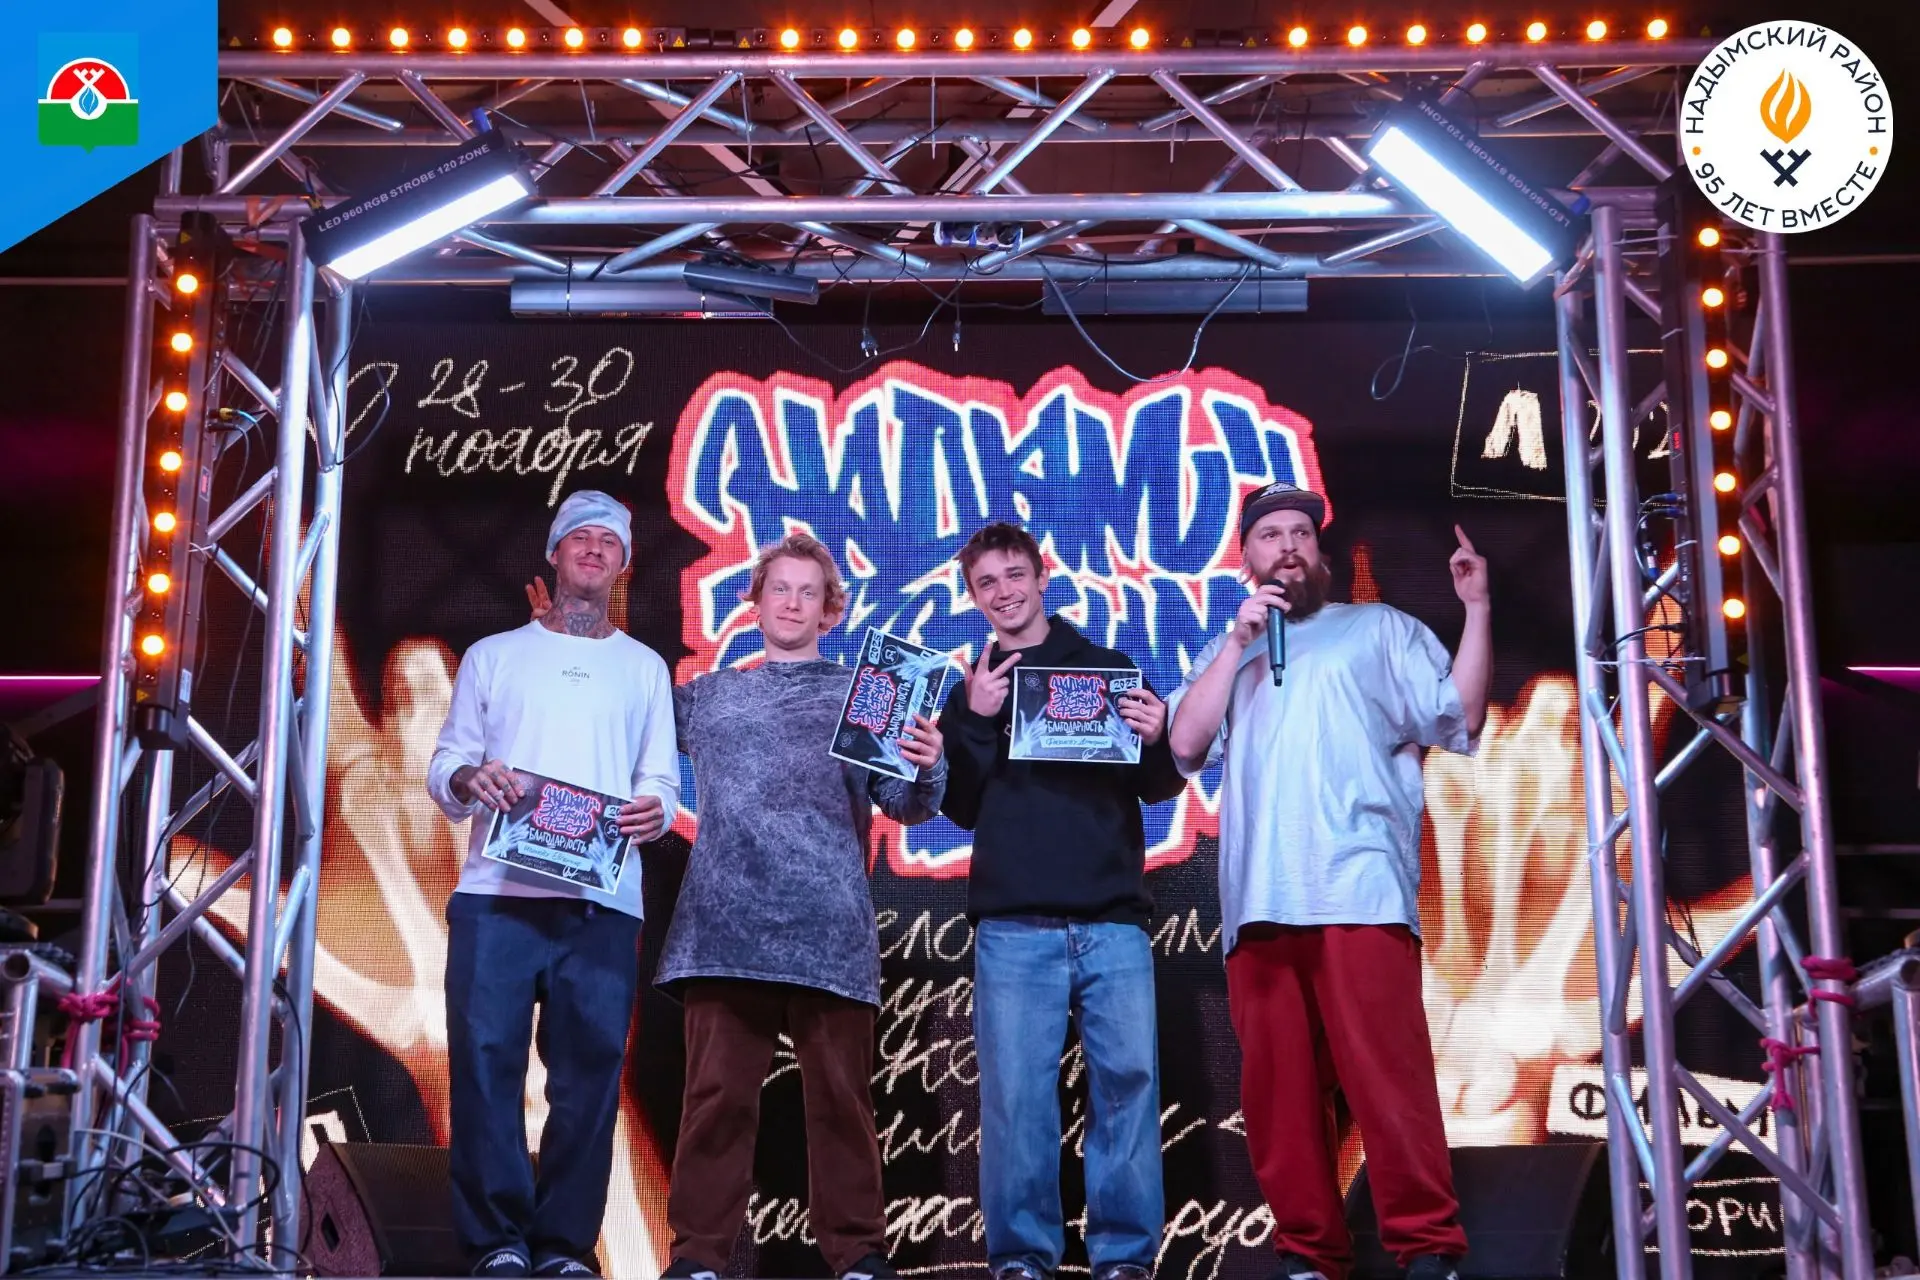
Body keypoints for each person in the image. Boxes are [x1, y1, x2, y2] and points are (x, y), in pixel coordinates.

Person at [1165, 482, 1491, 1280]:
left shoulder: (1379, 628)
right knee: (1279, 1097)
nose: (1288, 545)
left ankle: (1427, 1245)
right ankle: (1311, 1253)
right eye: (1270, 534)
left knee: (1388, 1079)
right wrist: (1237, 643)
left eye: (1301, 533)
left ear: (1319, 551)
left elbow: (1461, 715)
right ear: (1247, 558)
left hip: (1360, 891)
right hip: (1260, 901)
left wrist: (1477, 608)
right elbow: (1184, 743)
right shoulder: (1233, 650)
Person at [654, 533, 948, 1280]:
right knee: (716, 1100)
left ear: (829, 611)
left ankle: (858, 1254)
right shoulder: (706, 697)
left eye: (807, 592)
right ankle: (698, 1257)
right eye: (779, 589)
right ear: (754, 604)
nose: (791, 603)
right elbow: (617, 731)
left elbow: (906, 803)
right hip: (724, 930)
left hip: (828, 928)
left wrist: (929, 763)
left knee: (843, 1105)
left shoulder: (865, 695)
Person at [427, 490, 680, 1278]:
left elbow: (661, 782)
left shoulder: (644, 668)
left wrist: (655, 812)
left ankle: (564, 1248)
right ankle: (497, 1243)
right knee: (484, 1069)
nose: (594, 549)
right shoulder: (494, 655)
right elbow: (446, 763)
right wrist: (471, 779)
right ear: (554, 552)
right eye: (580, 538)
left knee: (589, 1081)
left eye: (609, 541)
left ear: (623, 562)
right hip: (496, 896)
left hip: (601, 903)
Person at [935, 522, 1186, 1280]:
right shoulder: (972, 689)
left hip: (1113, 921)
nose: (1004, 592)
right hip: (1014, 927)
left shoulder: (1109, 668)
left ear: (1042, 577)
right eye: (987, 583)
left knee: (1128, 1092)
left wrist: (1159, 735)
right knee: (1016, 1102)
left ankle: (1125, 1258)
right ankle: (1020, 1258)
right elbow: (959, 807)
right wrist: (977, 721)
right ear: (973, 597)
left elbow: (1157, 785)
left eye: (1015, 575)